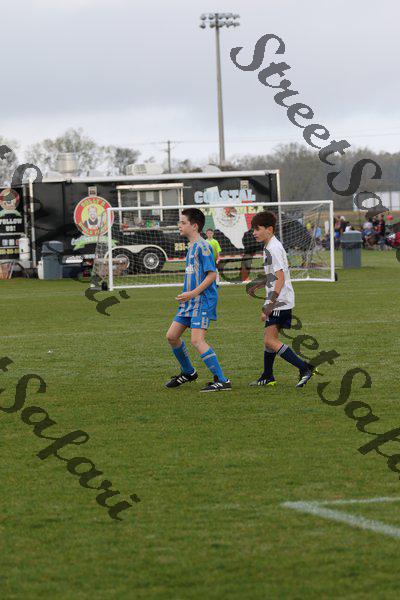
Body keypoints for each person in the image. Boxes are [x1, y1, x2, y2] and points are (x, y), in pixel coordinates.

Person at [248, 211, 318, 388]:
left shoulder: (274, 248)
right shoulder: (270, 246)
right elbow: (275, 274)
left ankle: (305, 368)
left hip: (280, 301)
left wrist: (269, 305)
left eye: (257, 229)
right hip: (279, 299)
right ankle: (267, 375)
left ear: (269, 229)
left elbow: (280, 278)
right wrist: (259, 284)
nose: (254, 233)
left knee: (270, 340)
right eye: (253, 229)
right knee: (269, 338)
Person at [165, 208, 231, 392]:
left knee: (197, 340)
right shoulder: (192, 246)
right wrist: (187, 295)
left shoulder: (203, 246)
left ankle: (222, 380)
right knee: (172, 336)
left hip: (201, 300)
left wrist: (193, 293)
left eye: (183, 222)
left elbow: (212, 275)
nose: (179, 225)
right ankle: (188, 372)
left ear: (194, 226)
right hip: (189, 301)